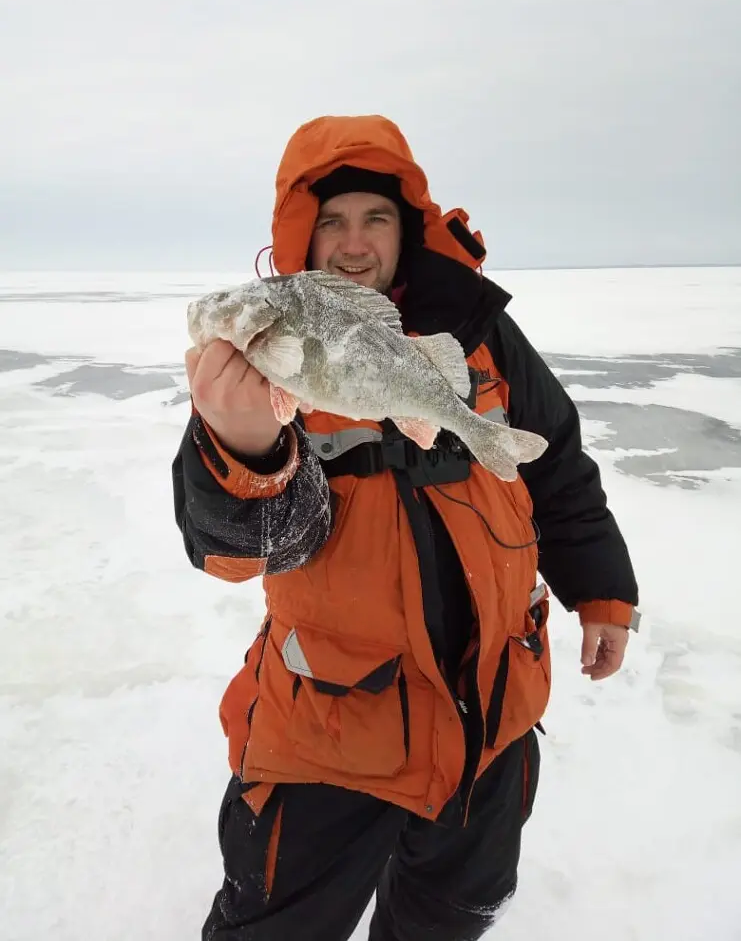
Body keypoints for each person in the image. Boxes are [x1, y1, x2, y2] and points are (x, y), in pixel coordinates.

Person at [172, 114, 640, 941]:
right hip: (328, 736)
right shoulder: (264, 362)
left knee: (447, 922)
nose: (353, 244)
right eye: (332, 221)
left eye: (375, 219)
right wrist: (244, 444)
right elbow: (232, 548)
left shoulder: (481, 334)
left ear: (406, 228)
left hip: (492, 720)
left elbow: (556, 466)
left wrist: (601, 590)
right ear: (298, 233)